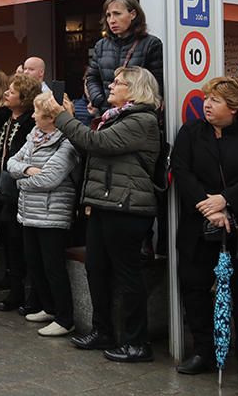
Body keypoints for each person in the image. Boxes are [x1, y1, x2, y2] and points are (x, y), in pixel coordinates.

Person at [44, 66, 161, 363]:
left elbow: (96, 144)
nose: (110, 85)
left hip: (128, 206)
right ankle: (102, 330)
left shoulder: (141, 120)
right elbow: (92, 150)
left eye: (119, 82)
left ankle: (137, 342)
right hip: (104, 203)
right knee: (96, 269)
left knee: (127, 275)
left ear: (135, 89)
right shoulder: (113, 118)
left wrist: (63, 117)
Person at [172, 77, 238, 386]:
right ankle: (203, 351)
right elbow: (181, 169)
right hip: (198, 222)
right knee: (195, 287)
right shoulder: (191, 131)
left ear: (234, 108)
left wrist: (226, 201)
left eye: (215, 100)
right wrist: (208, 206)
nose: (206, 104)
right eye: (206, 98)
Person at [7, 93, 80, 337]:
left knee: (53, 267)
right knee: (35, 264)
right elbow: (11, 163)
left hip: (53, 214)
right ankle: (48, 307)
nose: (34, 115)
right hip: (28, 213)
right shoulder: (33, 137)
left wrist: (21, 181)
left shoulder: (67, 143)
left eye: (38, 112)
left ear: (50, 118)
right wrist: (28, 169)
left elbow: (51, 178)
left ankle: (65, 317)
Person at [0, 73, 40, 312]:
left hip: (21, 190)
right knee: (8, 242)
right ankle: (14, 288)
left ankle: (29, 293)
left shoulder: (32, 122)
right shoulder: (2, 117)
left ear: (25, 97)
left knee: (22, 245)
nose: (7, 93)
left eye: (13, 90)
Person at [85, 0, 163, 113]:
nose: (112, 20)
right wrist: (99, 100)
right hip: (107, 114)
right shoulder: (101, 45)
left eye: (117, 14)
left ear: (133, 14)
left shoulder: (151, 44)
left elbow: (156, 86)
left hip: (136, 115)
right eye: (108, 15)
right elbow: (92, 77)